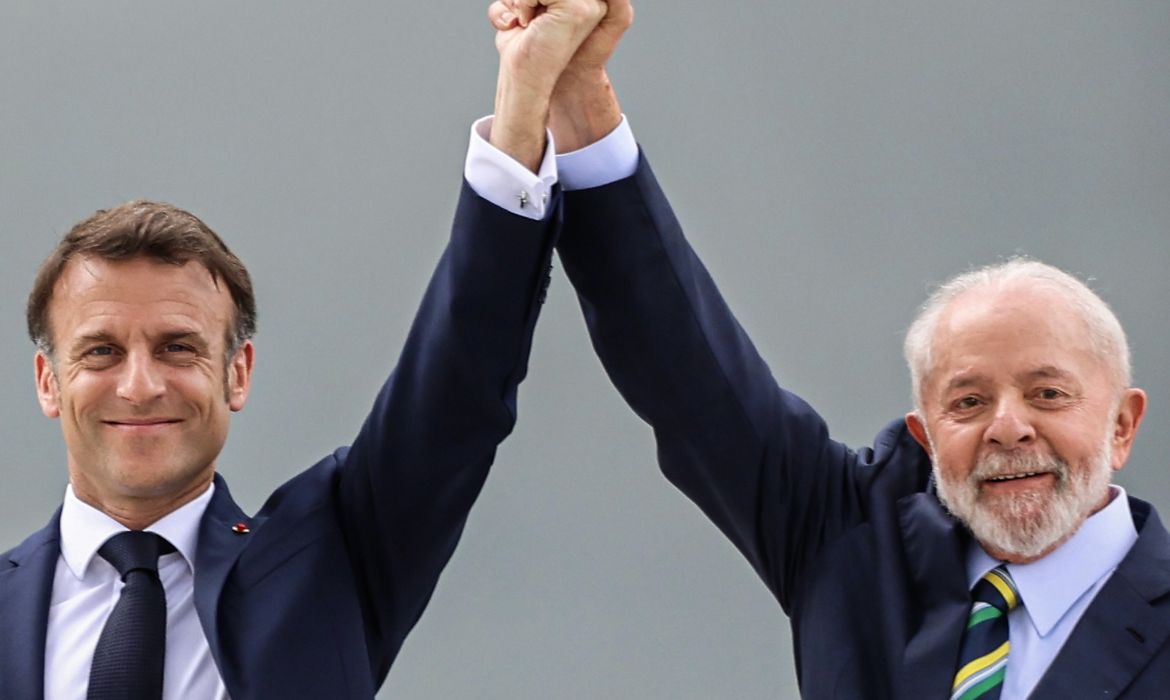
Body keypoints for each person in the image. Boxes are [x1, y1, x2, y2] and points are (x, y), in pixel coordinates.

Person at [490, 1, 1170, 697]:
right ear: (925, 436)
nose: (1008, 427)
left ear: (1122, 423)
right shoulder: (853, 544)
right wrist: (576, 85)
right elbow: (687, 375)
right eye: (968, 402)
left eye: (1048, 394)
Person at [0, 2, 608, 697]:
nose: (140, 386)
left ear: (237, 373)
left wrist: (523, 102)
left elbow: (458, 384)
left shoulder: (330, 562)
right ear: (48, 380)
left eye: (177, 348)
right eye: (102, 352)